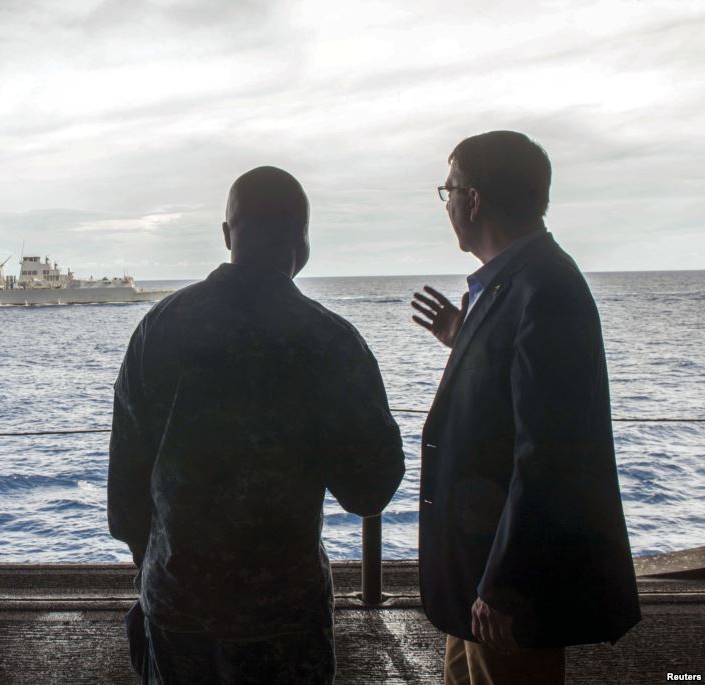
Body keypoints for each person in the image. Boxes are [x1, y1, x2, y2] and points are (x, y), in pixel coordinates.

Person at [109, 166, 405, 684]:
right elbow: (369, 490)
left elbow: (125, 493)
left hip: (177, 609)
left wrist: (156, 569)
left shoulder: (158, 329)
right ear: (302, 239)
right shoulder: (330, 342)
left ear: (227, 235)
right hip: (285, 619)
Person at [411, 131, 641, 684]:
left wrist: (506, 583)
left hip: (505, 584)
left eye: (449, 189)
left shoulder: (547, 289)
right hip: (479, 570)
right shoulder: (513, 285)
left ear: (474, 199)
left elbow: (550, 454)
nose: (448, 204)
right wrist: (465, 340)